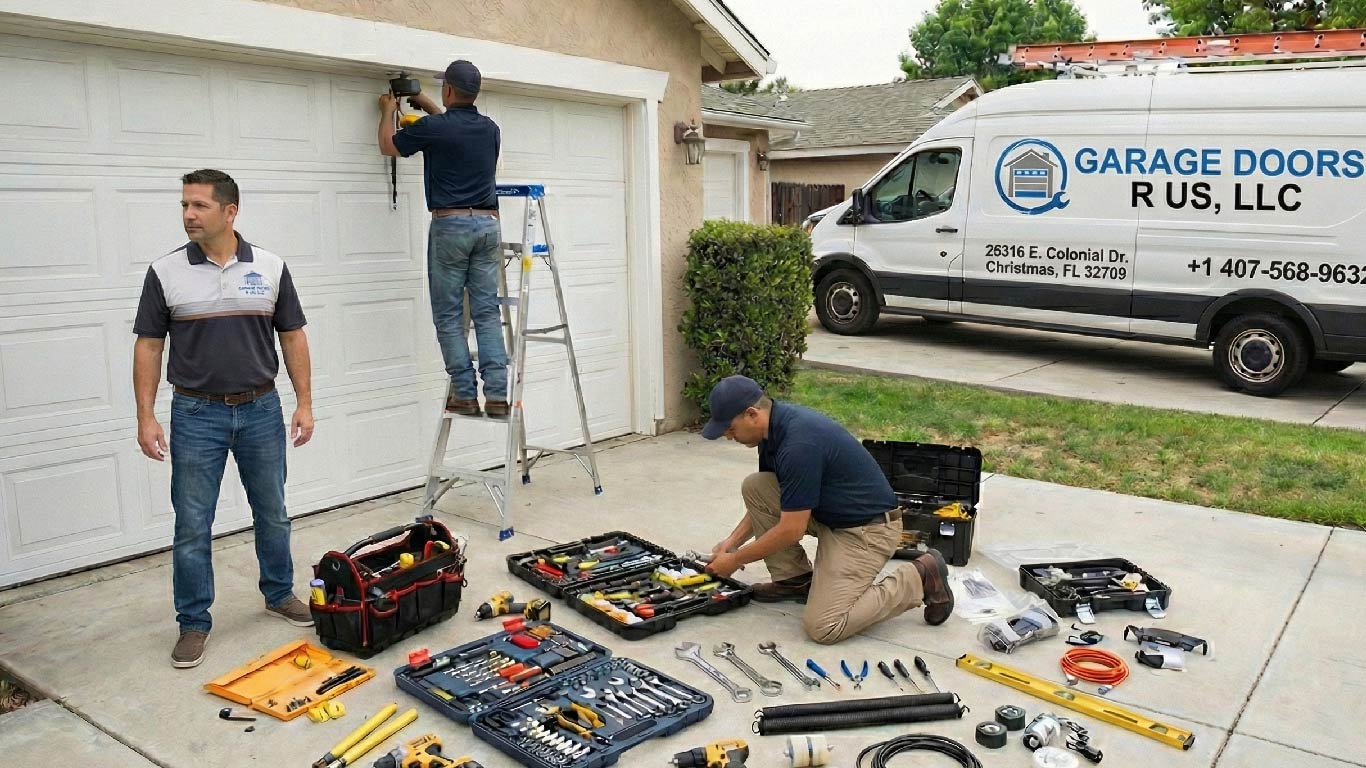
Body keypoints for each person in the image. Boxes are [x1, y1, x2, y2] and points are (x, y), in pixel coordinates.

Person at [133, 169, 316, 669]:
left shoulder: (271, 267)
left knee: (272, 511)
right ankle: (193, 622)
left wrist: (304, 402)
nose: (189, 215)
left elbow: (292, 336)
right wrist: (146, 415)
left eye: (199, 205)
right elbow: (149, 346)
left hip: (261, 409)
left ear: (230, 211)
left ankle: (279, 593)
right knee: (193, 523)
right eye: (184, 205)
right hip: (196, 413)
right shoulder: (165, 272)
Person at [701, 375, 954, 644]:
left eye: (729, 428)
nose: (728, 436)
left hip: (867, 530)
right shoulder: (771, 431)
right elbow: (774, 500)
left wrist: (736, 560)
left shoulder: (797, 444)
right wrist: (732, 543)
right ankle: (795, 580)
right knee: (757, 486)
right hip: (830, 514)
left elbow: (790, 530)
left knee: (825, 626)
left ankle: (919, 576)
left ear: (752, 414)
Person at [378, 59, 508, 417]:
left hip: (451, 226)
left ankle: (464, 393)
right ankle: (498, 395)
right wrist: (426, 104)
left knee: (449, 315)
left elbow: (389, 145)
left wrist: (388, 110)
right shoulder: (490, 129)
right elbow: (451, 129)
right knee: (486, 312)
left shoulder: (435, 128)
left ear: (449, 90)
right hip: (487, 225)